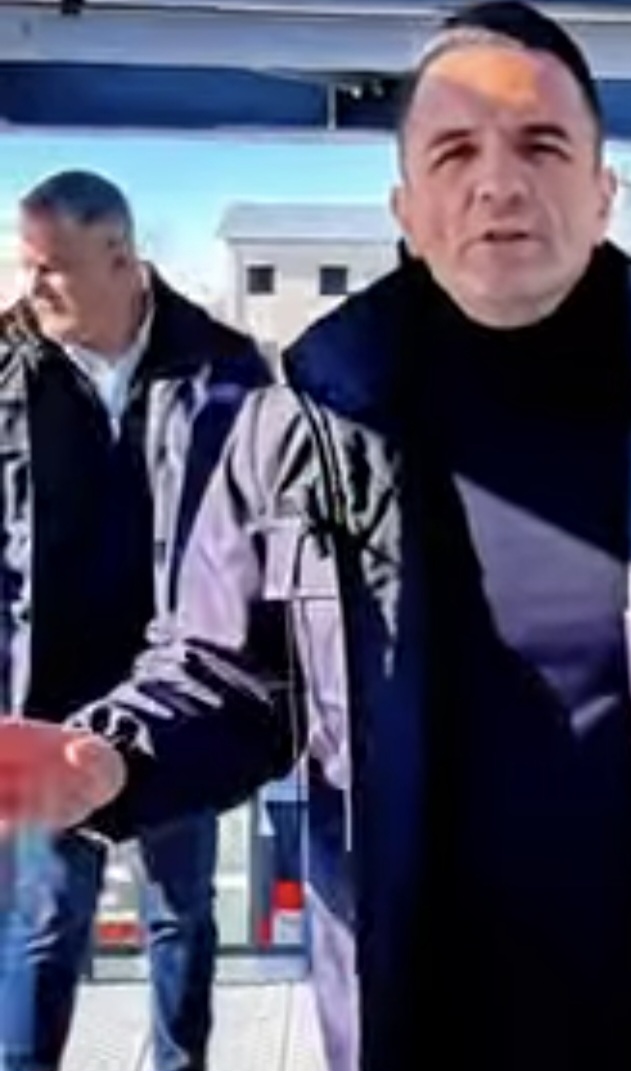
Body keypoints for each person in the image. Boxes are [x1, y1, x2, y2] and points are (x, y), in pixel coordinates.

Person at [2, 6, 631, 1071]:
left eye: (541, 145)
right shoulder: (298, 433)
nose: (498, 182)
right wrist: (111, 758)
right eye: (454, 152)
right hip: (414, 1019)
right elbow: (227, 674)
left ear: (603, 190)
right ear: (407, 209)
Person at [0, 171, 270, 1071]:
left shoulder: (227, 371)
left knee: (181, 913)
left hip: (182, 697)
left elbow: (257, 542)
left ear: (119, 258)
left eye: (49, 268)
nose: (30, 287)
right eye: (26, 266)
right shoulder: (5, 371)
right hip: (48, 699)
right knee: (45, 920)